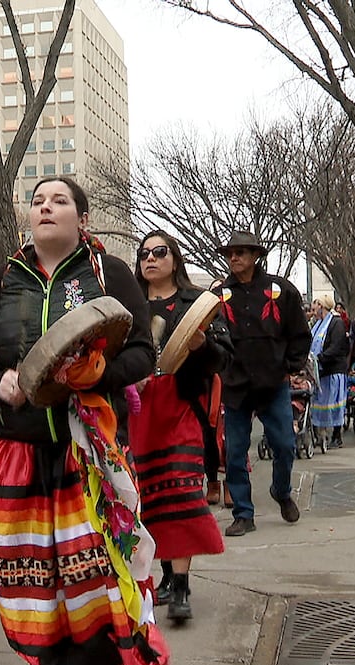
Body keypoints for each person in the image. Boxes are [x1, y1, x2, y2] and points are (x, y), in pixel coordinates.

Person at [0, 177, 168, 665]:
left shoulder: (109, 273)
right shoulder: (3, 278)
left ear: (82, 218)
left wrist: (92, 378)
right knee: (30, 576)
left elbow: (144, 353)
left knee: (91, 573)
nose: (45, 207)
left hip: (88, 452)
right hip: (20, 448)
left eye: (59, 201)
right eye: (37, 200)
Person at [130, 230, 229, 622]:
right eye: (144, 254)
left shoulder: (197, 304)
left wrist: (201, 345)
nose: (150, 259)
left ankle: (182, 586)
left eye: (159, 252)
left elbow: (222, 358)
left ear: (175, 258)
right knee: (149, 499)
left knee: (183, 494)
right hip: (139, 409)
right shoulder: (130, 304)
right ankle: (168, 575)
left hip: (181, 406)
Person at [213, 229, 311, 538]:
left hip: (273, 383)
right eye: (230, 253)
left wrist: (291, 368)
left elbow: (299, 333)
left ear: (256, 256)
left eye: (240, 252)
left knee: (284, 445)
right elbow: (208, 336)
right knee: (235, 451)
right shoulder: (218, 296)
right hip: (236, 384)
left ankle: (281, 491)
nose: (234, 258)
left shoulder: (281, 291)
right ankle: (243, 513)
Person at [309, 296, 349, 449]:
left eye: (315, 307)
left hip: (333, 368)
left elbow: (336, 345)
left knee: (332, 404)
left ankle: (336, 435)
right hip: (320, 370)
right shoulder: (317, 325)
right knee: (320, 403)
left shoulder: (336, 323)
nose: (314, 311)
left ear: (322, 306)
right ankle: (320, 434)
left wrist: (321, 357)